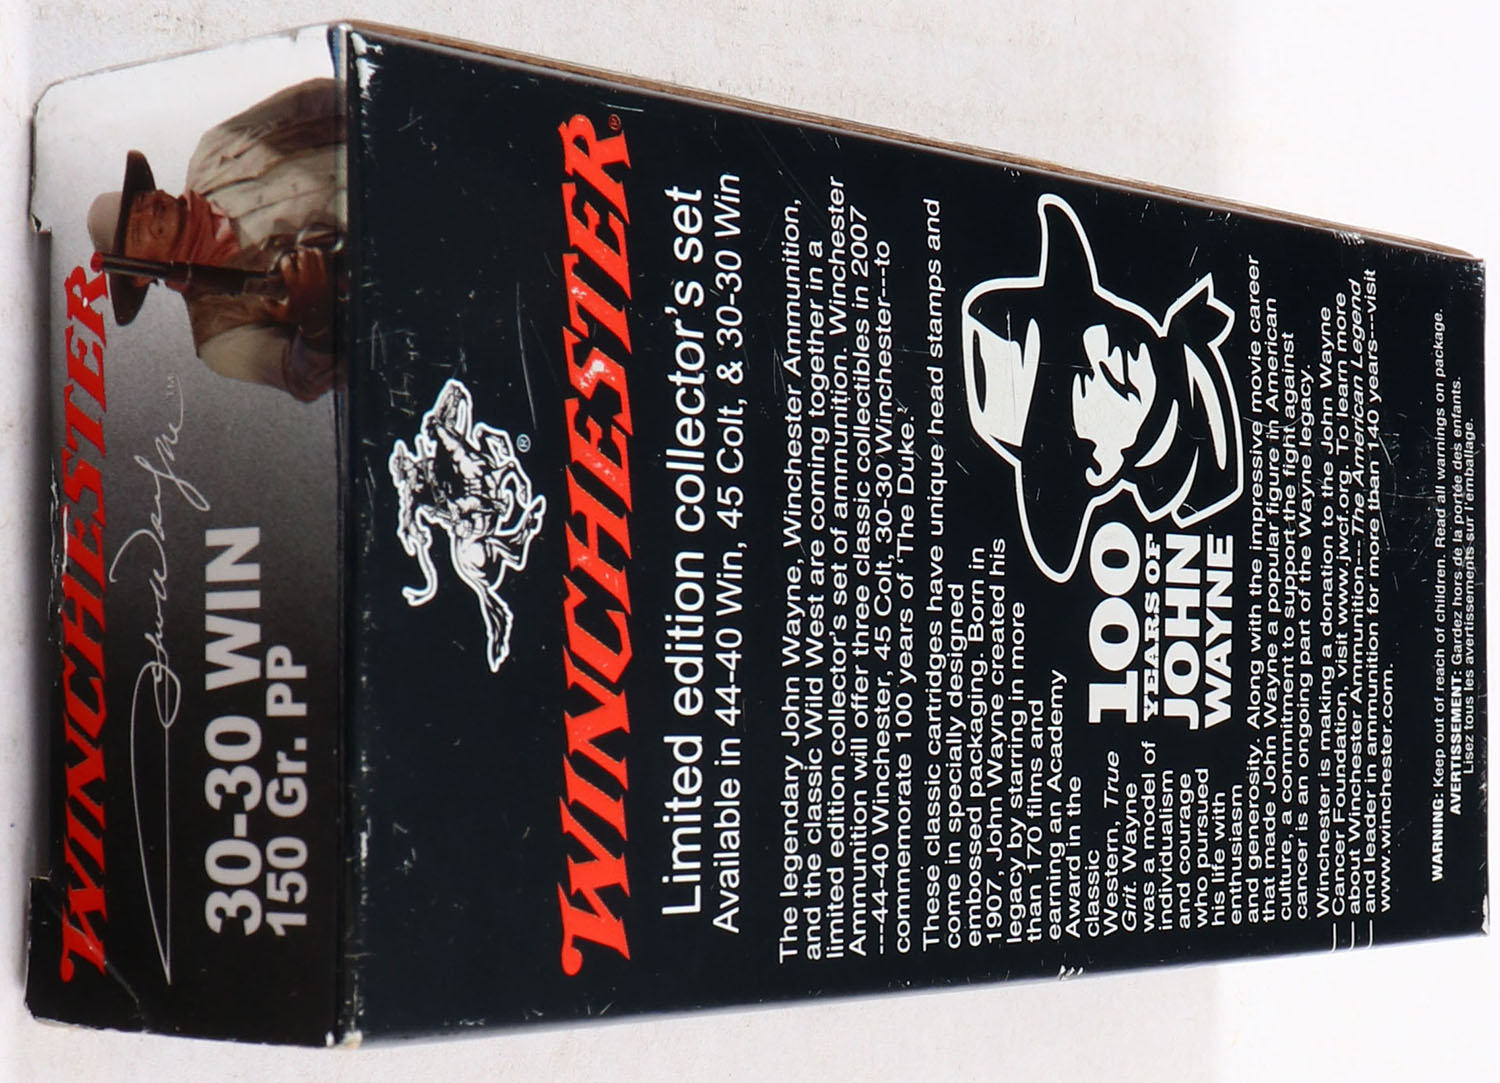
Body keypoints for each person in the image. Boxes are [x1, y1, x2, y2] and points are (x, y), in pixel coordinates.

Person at [87, 78, 345, 401]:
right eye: (136, 231)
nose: (150, 210)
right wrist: (318, 324)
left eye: (141, 200)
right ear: (140, 277)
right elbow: (303, 378)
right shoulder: (220, 338)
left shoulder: (213, 150)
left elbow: (315, 99)